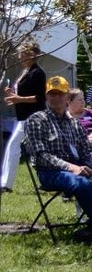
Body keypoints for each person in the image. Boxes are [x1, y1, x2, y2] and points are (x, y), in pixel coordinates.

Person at [24, 76, 92, 244]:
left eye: (60, 94)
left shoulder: (75, 124)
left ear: (67, 97)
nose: (56, 98)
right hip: (51, 172)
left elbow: (85, 154)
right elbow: (40, 156)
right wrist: (71, 167)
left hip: (81, 170)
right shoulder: (37, 120)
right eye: (52, 94)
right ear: (46, 96)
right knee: (83, 184)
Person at [1, 41, 46, 193]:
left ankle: (6, 184)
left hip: (33, 117)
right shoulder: (25, 71)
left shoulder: (37, 73)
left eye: (21, 53)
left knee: (16, 147)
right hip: (23, 116)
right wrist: (13, 96)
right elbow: (23, 95)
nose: (19, 56)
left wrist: (17, 99)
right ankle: (5, 183)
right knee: (16, 148)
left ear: (29, 55)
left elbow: (39, 98)